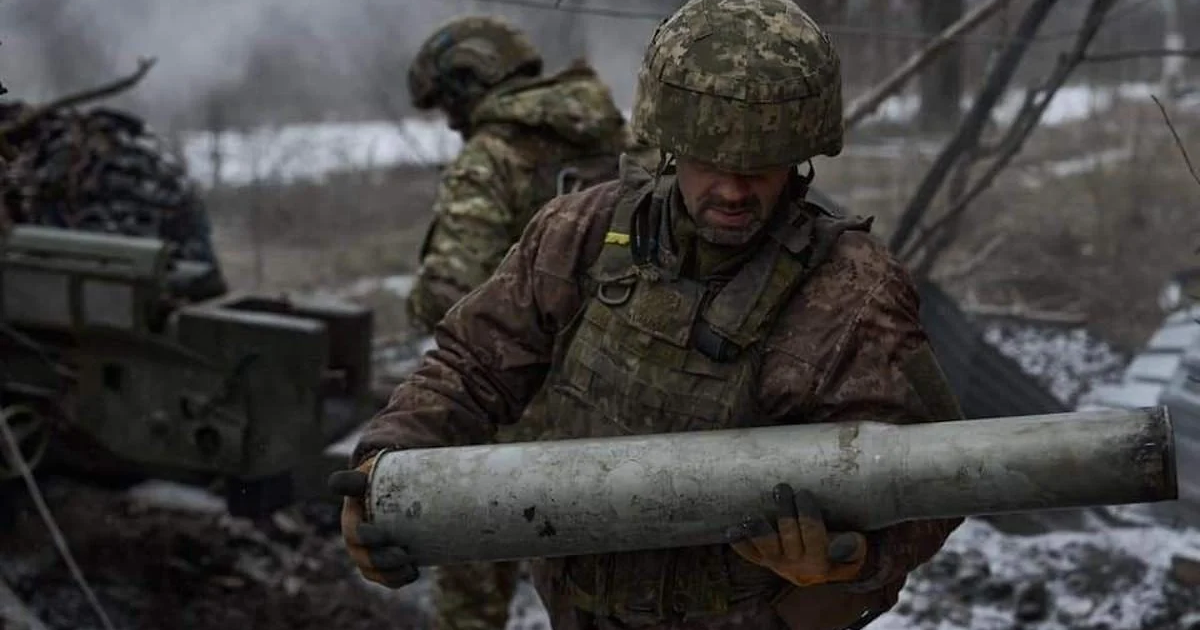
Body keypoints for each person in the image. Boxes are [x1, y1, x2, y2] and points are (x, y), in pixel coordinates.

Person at [332, 1, 965, 628]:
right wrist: (386, 466)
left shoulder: (852, 291)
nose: (735, 190)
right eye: (712, 159)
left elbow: (931, 478)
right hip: (580, 604)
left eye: (761, 166)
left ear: (801, 154)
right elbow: (471, 363)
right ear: (669, 142)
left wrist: (845, 561)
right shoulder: (580, 231)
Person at [402, 14, 643, 630]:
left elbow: (452, 291)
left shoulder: (494, 156)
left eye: (448, 105)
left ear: (469, 82)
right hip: (625, 407)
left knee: (472, 591)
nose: (452, 122)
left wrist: (420, 306)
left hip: (513, 415)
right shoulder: (619, 137)